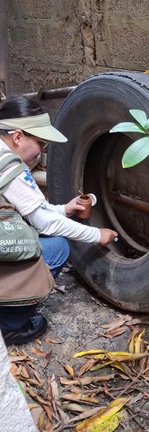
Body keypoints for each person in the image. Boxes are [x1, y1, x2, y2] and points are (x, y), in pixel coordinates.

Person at [0, 95, 118, 345]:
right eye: (41, 143)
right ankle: (10, 325)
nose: (41, 152)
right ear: (18, 137)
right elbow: (44, 223)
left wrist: (64, 208)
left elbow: (29, 208)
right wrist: (97, 235)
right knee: (57, 249)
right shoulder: (7, 165)